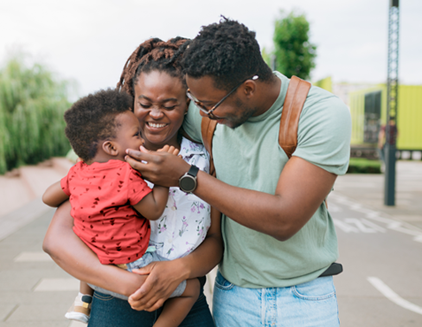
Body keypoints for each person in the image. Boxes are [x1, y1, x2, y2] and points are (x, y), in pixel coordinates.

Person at [125, 18, 352, 326]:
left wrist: (187, 176)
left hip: (305, 299)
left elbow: (284, 219)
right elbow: (147, 116)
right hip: (233, 296)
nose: (201, 113)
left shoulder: (320, 114)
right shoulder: (206, 110)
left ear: (248, 89)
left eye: (208, 105)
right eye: (194, 102)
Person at [42, 37, 221, 327]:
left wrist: (178, 270)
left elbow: (216, 241)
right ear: (132, 99)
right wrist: (131, 285)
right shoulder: (106, 162)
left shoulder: (204, 159)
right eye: (145, 103)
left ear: (188, 102)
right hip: (116, 302)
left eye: (169, 104)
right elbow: (55, 240)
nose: (155, 113)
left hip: (186, 303)